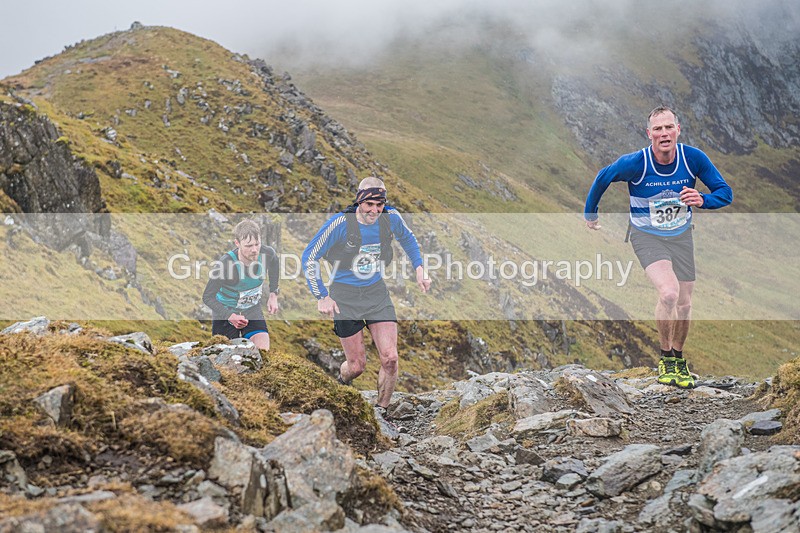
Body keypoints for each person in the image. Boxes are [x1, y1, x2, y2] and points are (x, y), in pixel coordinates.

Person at [584, 106, 732, 389]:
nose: (664, 133)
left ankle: (678, 359)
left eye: (668, 127)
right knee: (669, 294)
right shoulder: (636, 163)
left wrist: (703, 199)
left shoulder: (693, 159)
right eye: (658, 129)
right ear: (649, 133)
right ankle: (665, 358)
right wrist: (591, 213)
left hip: (681, 236)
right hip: (647, 236)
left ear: (678, 130)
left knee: (685, 304)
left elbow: (725, 193)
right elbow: (603, 176)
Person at [302, 177, 431, 421]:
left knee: (390, 358)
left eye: (379, 205)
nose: (374, 210)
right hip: (344, 296)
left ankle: (381, 411)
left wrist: (419, 269)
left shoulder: (391, 218)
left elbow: (408, 239)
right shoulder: (340, 223)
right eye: (369, 204)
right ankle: (341, 382)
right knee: (356, 367)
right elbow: (309, 257)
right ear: (359, 200)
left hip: (375, 293)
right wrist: (322, 295)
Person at [202, 219, 279, 350]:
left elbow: (274, 265)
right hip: (225, 312)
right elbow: (207, 297)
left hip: (252, 309)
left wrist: (273, 294)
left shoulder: (267, 253)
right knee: (226, 358)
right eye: (248, 246)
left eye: (257, 244)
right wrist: (230, 316)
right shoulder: (226, 265)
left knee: (262, 352)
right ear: (237, 243)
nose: (254, 250)